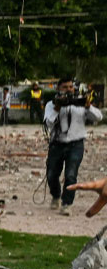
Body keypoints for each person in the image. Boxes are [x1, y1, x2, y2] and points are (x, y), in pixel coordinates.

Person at [45, 77, 102, 216]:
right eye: (65, 87)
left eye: (70, 87)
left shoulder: (80, 102)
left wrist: (87, 106)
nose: (69, 90)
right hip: (57, 143)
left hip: (76, 143)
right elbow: (48, 123)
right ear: (58, 88)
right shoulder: (51, 104)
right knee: (51, 174)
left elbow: (98, 117)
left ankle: (67, 204)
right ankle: (56, 195)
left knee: (71, 175)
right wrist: (57, 108)